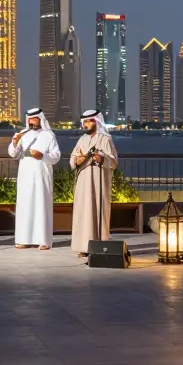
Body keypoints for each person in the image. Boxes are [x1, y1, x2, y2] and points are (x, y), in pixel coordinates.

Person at [10, 108, 62, 250]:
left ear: (40, 119)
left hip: (41, 173)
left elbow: (56, 156)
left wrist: (43, 156)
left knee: (41, 204)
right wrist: (15, 142)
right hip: (25, 174)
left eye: (34, 119)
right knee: (25, 205)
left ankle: (43, 240)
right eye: (30, 119)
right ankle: (23, 239)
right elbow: (13, 154)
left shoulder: (49, 135)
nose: (32, 121)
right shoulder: (23, 134)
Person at [70, 109, 118, 257]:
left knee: (98, 211)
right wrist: (76, 161)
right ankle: (83, 246)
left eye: (87, 121)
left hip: (98, 181)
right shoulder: (82, 140)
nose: (85, 124)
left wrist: (100, 158)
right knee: (83, 212)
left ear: (95, 121)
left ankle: (99, 245)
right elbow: (72, 158)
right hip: (83, 182)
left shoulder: (105, 139)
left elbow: (114, 161)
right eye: (83, 122)